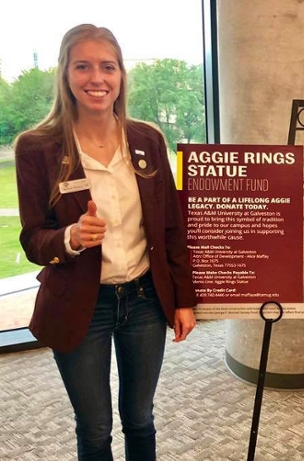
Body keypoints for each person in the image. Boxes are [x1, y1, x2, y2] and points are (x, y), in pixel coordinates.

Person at [14, 24, 197, 460]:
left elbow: (171, 228)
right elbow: (33, 238)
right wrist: (70, 237)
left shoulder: (147, 139)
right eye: (83, 66)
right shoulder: (37, 147)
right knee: (94, 428)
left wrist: (183, 299)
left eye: (107, 67)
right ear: (66, 74)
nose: (97, 78)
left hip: (145, 301)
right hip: (81, 303)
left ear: (120, 76)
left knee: (140, 417)